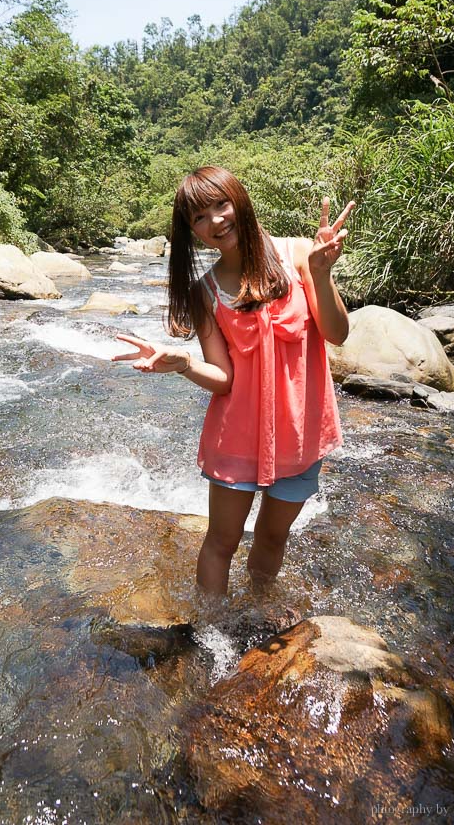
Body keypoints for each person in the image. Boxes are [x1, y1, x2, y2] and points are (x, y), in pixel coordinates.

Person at [113, 166, 354, 595]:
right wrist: (184, 363)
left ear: (239, 201)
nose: (215, 221)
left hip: (300, 435)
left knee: (273, 537)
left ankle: (258, 611)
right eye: (199, 217)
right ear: (192, 232)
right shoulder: (205, 293)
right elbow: (223, 378)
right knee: (221, 542)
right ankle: (211, 636)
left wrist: (321, 273)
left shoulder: (299, 255)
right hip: (237, 440)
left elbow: (337, 333)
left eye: (220, 205)